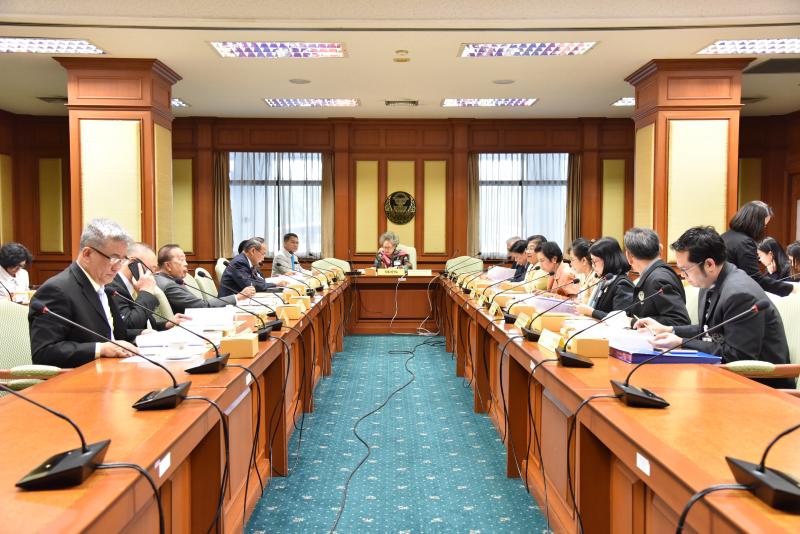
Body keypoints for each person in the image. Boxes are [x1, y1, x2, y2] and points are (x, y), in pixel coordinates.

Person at [635, 226, 794, 389]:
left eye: (685, 269)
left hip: (762, 386)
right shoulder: (711, 281)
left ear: (709, 264)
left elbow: (737, 357)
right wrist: (670, 330)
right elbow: (711, 330)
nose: (682, 275)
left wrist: (681, 343)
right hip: (725, 376)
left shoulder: (740, 294)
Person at [28, 219, 138, 368]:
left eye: (122, 260)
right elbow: (44, 353)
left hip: (112, 370)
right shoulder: (57, 290)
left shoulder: (104, 286)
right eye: (113, 259)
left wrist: (142, 335)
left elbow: (109, 334)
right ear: (87, 254)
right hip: (77, 377)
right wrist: (100, 349)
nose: (117, 268)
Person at [108, 242, 189, 336]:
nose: (153, 275)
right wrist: (146, 292)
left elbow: (144, 324)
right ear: (133, 263)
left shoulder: (135, 285)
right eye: (151, 269)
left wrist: (166, 324)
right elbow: (127, 326)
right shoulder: (113, 287)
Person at [722, 201, 795, 296]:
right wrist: (791, 288)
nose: (763, 229)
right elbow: (754, 279)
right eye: (764, 225)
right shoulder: (744, 242)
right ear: (755, 223)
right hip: (732, 295)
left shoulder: (725, 236)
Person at [155, 244, 254, 314]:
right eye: (181, 260)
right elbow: (201, 307)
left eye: (185, 259)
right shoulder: (169, 285)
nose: (186, 264)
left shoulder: (167, 279)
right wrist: (237, 297)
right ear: (168, 265)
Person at [623, 228, 690, 327]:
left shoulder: (658, 279)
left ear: (629, 256)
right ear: (661, 249)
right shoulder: (654, 274)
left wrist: (633, 321)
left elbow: (680, 321)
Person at [576, 237, 634, 320]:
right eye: (592, 261)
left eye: (594, 261)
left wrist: (591, 312)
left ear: (608, 259)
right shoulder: (606, 280)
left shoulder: (622, 284)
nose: (593, 266)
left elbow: (620, 320)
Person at [220, 239, 286, 297]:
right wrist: (275, 284)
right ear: (253, 251)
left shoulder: (248, 261)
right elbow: (250, 285)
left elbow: (260, 280)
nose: (263, 258)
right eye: (263, 254)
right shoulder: (239, 262)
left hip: (242, 299)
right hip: (230, 302)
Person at [569, 238, 598, 304]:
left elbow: (591, 306)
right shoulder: (581, 275)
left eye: (572, 260)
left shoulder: (595, 279)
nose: (571, 263)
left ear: (584, 260)